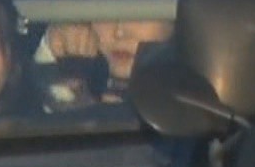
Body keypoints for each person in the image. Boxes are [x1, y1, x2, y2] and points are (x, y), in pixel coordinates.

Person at [38, 19, 174, 105]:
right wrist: (52, 49)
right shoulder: (75, 77)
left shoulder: (185, 106)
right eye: (107, 15)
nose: (119, 33)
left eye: (138, 16)